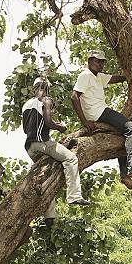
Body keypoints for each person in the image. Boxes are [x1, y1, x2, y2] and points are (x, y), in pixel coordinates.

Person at [71, 50, 132, 190]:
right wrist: (84, 121)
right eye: (97, 61)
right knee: (131, 129)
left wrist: (130, 75)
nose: (101, 64)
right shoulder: (85, 75)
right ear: (90, 61)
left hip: (100, 111)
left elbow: (115, 78)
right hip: (98, 112)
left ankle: (124, 176)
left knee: (123, 135)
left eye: (102, 61)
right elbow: (74, 97)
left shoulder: (98, 77)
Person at [23, 77, 89, 226]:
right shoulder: (46, 100)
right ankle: (74, 196)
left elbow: (26, 129)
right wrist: (59, 127)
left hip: (30, 147)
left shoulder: (26, 105)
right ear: (46, 88)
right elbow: (47, 121)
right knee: (71, 158)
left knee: (47, 174)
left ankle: (49, 216)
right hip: (43, 143)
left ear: (34, 88)